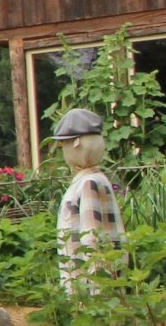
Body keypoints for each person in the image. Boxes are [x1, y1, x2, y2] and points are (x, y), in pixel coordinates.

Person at [52, 107, 124, 291]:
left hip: (87, 289)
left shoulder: (88, 183)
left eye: (64, 145)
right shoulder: (99, 179)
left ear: (76, 144)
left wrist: (95, 289)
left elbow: (92, 238)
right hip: (105, 286)